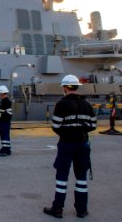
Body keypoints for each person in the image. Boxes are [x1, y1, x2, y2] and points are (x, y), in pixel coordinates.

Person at [43, 74, 97, 219]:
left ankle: (58, 209)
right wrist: (80, 129)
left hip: (66, 144)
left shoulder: (62, 104)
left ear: (65, 87)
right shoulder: (87, 104)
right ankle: (81, 210)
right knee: (81, 178)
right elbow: (93, 126)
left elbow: (55, 126)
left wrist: (67, 133)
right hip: (82, 144)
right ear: (77, 86)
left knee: (62, 177)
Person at [0, 85, 12, 156]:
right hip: (3, 121)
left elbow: (9, 113)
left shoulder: (6, 101)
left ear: (2, 93)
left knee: (4, 136)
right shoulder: (4, 101)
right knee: (5, 135)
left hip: (5, 121)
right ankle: (7, 149)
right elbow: (2, 111)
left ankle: (4, 150)